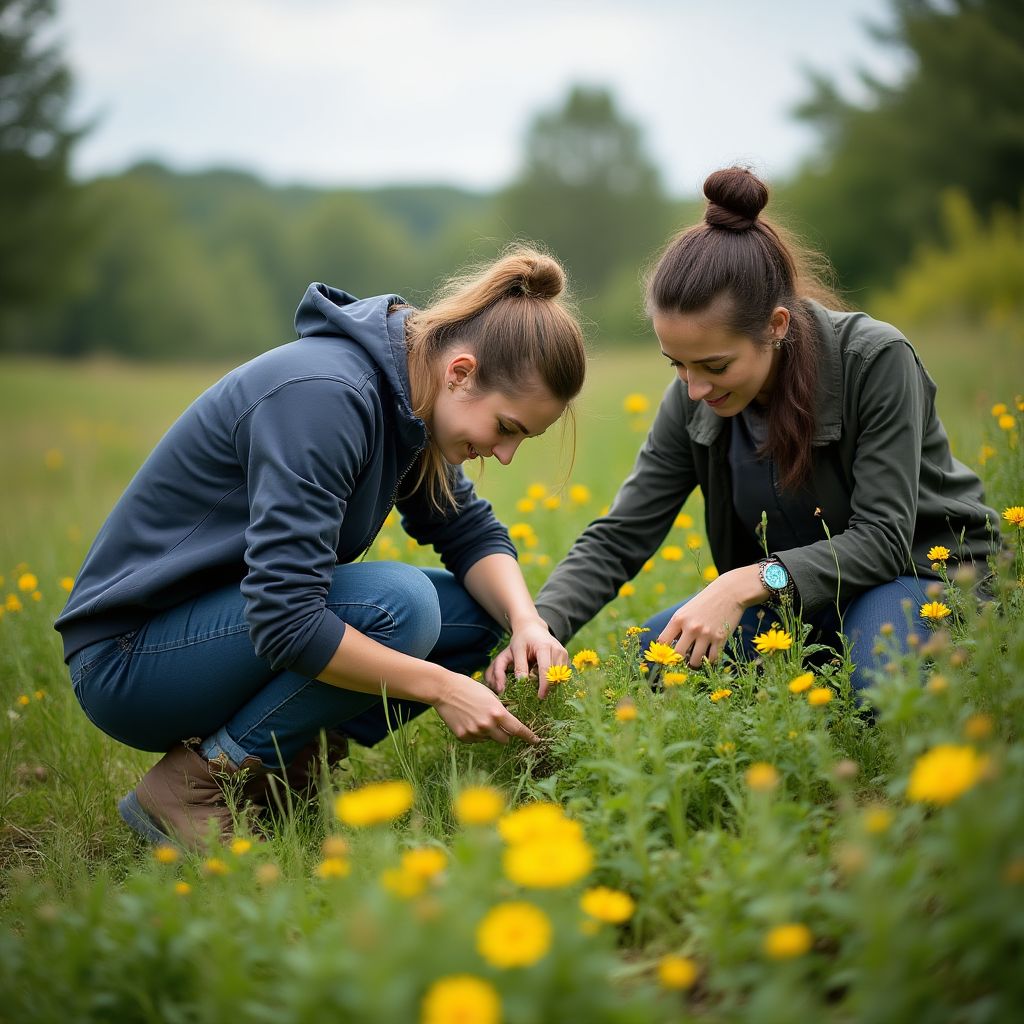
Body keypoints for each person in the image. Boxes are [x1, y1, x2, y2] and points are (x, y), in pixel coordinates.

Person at [56, 245, 584, 849]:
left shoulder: (408, 394)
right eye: (507, 428)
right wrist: (442, 686)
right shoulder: (327, 397)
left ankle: (282, 766)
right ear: (460, 373)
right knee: (401, 607)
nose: (507, 454)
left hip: (221, 634)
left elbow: (468, 531)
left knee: (473, 614)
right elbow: (286, 620)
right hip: (130, 659)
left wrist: (526, 623)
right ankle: (197, 786)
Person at [492, 168, 997, 695]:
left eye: (714, 365)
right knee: (648, 663)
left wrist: (746, 582)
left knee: (878, 681)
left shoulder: (874, 361)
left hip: (920, 577)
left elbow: (884, 540)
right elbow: (622, 534)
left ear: (776, 326)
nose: (694, 389)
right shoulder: (692, 400)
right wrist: (538, 628)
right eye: (677, 366)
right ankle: (813, 664)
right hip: (797, 602)